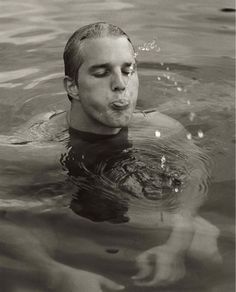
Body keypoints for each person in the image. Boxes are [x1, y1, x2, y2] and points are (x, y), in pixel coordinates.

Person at [0, 22, 221, 292]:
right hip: (65, 226)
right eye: (102, 73)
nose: (120, 85)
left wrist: (179, 240)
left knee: (205, 250)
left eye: (128, 70)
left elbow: (195, 174)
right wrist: (51, 272)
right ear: (72, 87)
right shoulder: (36, 146)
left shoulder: (162, 129)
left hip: (126, 215)